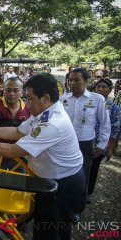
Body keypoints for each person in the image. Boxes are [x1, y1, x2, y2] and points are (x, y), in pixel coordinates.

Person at [0, 73, 85, 240]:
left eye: (29, 98)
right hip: (51, 179)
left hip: (63, 183)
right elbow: (17, 131)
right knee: (46, 227)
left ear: (45, 98)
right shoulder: (44, 113)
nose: (27, 103)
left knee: (52, 232)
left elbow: (14, 151)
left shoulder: (53, 123)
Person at [59, 68, 110, 222]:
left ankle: (77, 209)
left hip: (84, 144)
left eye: (77, 79)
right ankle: (62, 205)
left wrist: (101, 145)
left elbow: (105, 124)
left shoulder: (97, 99)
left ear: (86, 82)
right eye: (70, 80)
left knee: (82, 177)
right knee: (63, 175)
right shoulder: (63, 99)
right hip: (64, 144)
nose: (73, 83)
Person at [88, 78, 120, 203]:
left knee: (93, 168)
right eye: (98, 87)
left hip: (100, 145)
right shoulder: (88, 102)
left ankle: (88, 192)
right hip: (84, 142)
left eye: (104, 87)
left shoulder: (114, 108)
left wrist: (110, 148)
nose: (101, 89)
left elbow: (114, 130)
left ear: (110, 90)